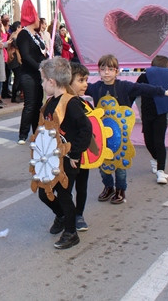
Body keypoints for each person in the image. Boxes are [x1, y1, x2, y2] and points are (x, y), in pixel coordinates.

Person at [86, 54, 168, 204]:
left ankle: (121, 190)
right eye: (103, 69)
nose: (106, 72)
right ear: (99, 71)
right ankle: (108, 187)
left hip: (120, 135)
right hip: (102, 134)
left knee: (120, 164)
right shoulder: (96, 88)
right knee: (102, 164)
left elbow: (143, 88)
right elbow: (78, 86)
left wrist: (162, 91)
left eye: (110, 69)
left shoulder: (124, 87)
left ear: (117, 71)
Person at [36, 57, 92, 249]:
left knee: (64, 194)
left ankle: (71, 233)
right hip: (51, 158)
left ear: (52, 82)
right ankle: (61, 216)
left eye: (43, 80)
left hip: (68, 159)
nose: (42, 84)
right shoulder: (51, 102)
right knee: (44, 194)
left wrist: (75, 153)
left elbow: (86, 129)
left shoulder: (71, 103)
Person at [134, 55, 168, 184]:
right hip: (147, 114)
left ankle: (161, 171)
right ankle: (156, 159)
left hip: (161, 115)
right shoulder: (143, 77)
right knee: (148, 141)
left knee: (159, 141)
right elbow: (134, 91)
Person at [16, 0, 47, 144]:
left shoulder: (36, 35)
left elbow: (41, 52)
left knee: (38, 104)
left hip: (39, 75)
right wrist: (39, 67)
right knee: (29, 104)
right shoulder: (23, 34)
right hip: (28, 74)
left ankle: (36, 132)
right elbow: (26, 56)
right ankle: (23, 135)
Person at [69, 62, 93, 231]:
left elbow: (91, 128)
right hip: (68, 155)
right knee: (66, 188)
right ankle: (66, 214)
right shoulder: (63, 104)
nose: (85, 84)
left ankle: (79, 214)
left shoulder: (86, 104)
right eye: (81, 80)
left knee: (82, 186)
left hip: (83, 154)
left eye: (86, 80)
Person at [7, 21, 24, 102]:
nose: (22, 29)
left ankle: (16, 95)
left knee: (19, 78)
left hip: (16, 58)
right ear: (17, 28)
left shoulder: (16, 35)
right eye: (20, 27)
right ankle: (14, 97)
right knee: (17, 78)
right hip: (14, 59)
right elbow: (18, 46)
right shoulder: (14, 36)